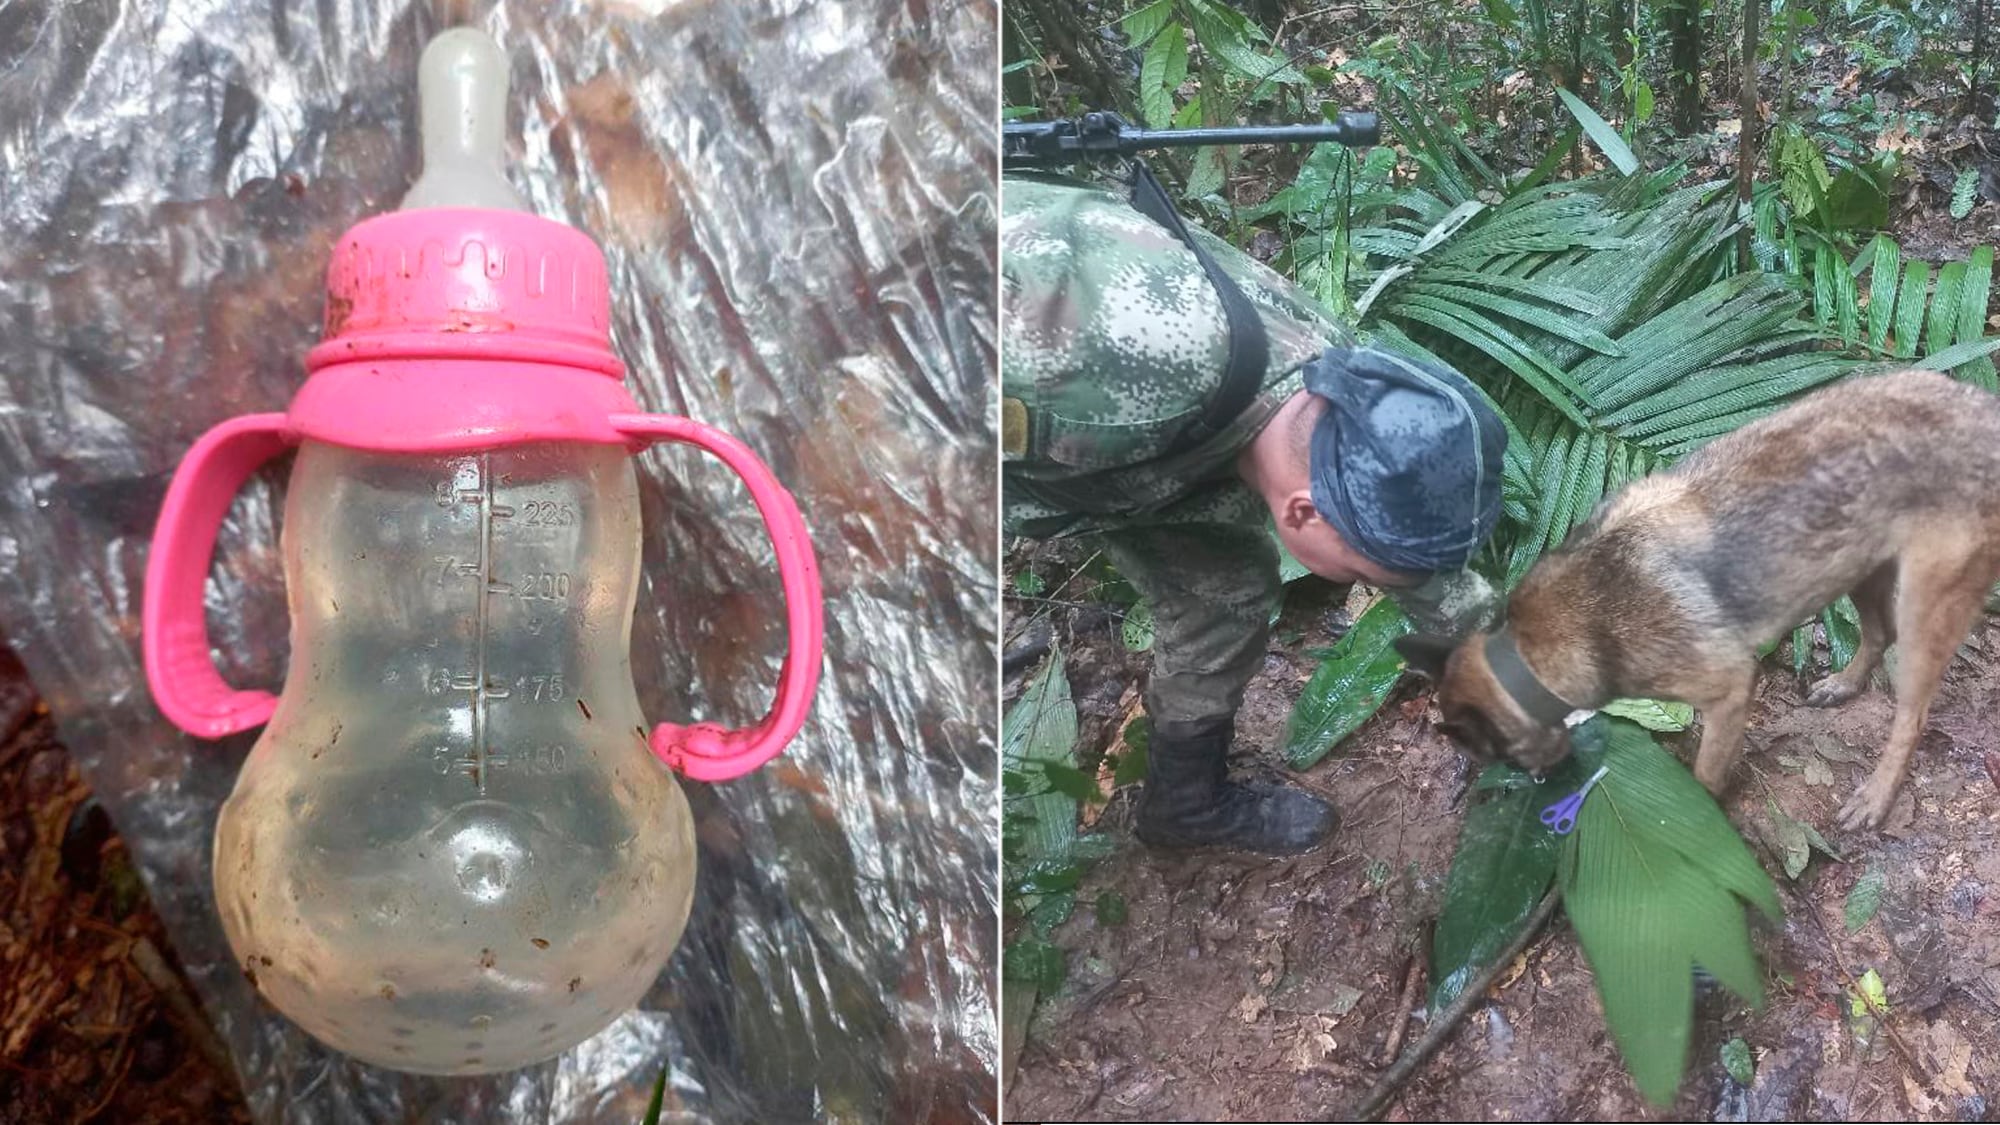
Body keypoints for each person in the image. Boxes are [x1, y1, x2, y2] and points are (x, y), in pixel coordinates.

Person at [1002, 172, 1508, 855]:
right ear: (1301, 511)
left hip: (1137, 450)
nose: (1377, 582)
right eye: (1364, 574)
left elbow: (1413, 562)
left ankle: (1183, 806)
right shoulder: (1092, 385)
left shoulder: (1342, 391)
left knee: (1223, 592)